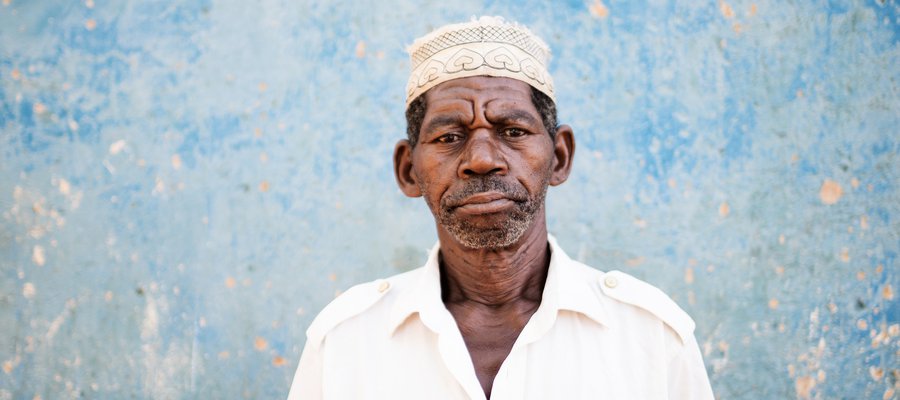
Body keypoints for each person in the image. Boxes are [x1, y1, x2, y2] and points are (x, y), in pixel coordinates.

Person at [287, 16, 714, 400]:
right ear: (408, 170)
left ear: (560, 157)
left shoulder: (651, 336)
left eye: (512, 130)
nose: (482, 159)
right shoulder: (345, 341)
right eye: (449, 137)